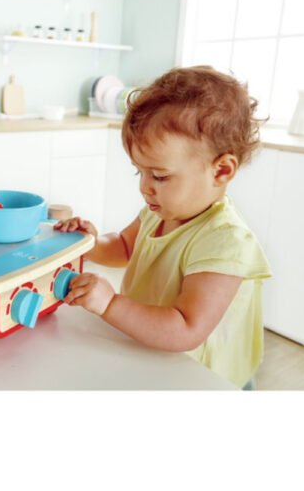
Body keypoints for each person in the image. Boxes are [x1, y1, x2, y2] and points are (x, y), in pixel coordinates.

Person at [55, 66, 272, 389]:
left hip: (206, 379)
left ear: (221, 170)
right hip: (154, 351)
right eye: (139, 172)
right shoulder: (159, 212)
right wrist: (92, 243)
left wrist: (110, 304)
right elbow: (125, 246)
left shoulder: (226, 242)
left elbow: (186, 328)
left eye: (159, 176)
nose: (144, 187)